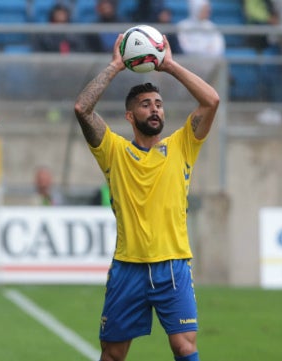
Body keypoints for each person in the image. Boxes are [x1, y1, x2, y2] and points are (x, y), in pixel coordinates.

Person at [74, 30, 220, 361]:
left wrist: (169, 66)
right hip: (128, 268)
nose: (154, 110)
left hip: (173, 265)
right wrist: (115, 65)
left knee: (185, 347)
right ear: (130, 116)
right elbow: (82, 108)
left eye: (158, 104)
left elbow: (211, 100)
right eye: (145, 105)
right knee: (113, 354)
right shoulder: (114, 151)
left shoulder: (183, 144)